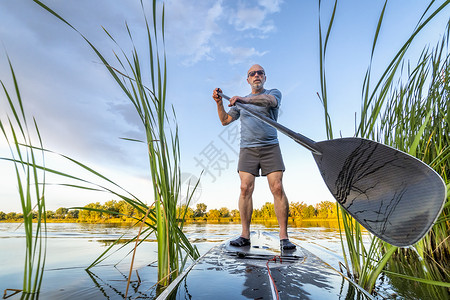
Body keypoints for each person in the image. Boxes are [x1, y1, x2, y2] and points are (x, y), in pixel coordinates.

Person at [212, 64, 296, 250]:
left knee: (277, 187)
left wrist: (243, 99)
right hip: (247, 149)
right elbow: (225, 121)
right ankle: (245, 235)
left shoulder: (273, 93)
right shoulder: (240, 102)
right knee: (244, 188)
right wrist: (219, 103)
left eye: (260, 73)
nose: (256, 75)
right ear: (248, 79)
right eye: (252, 74)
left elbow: (270, 101)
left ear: (264, 77)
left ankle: (283, 237)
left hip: (270, 147)